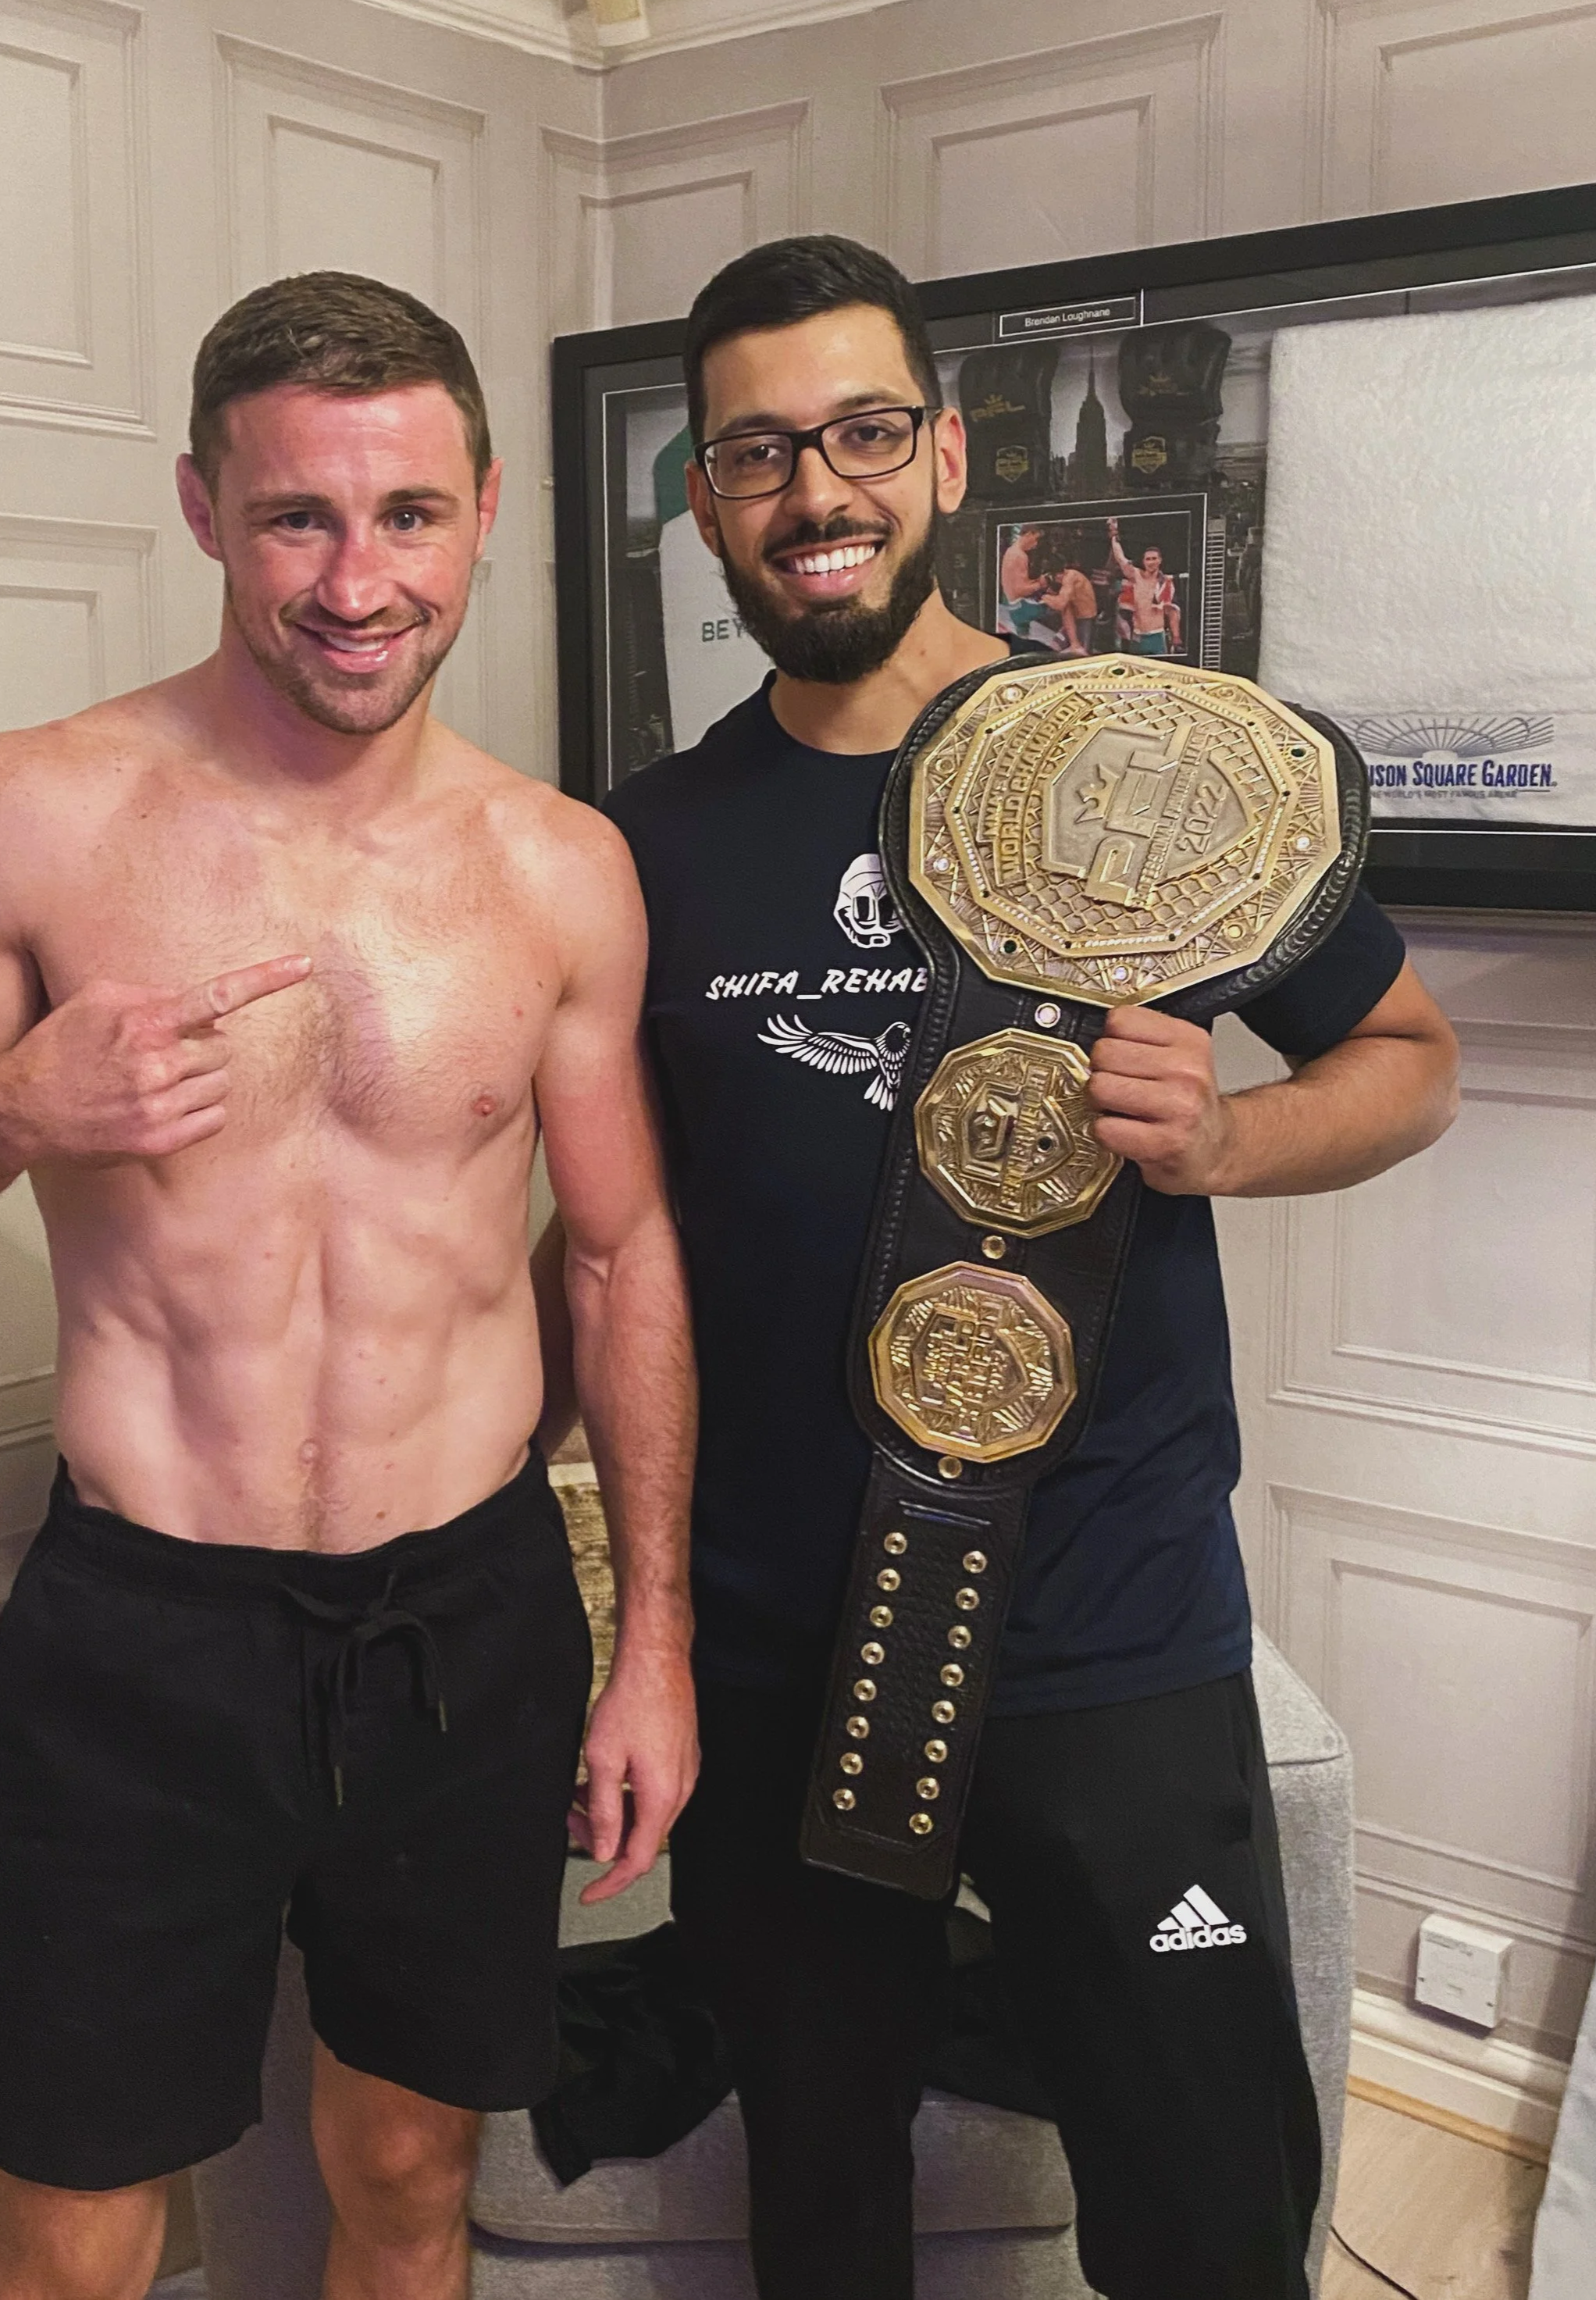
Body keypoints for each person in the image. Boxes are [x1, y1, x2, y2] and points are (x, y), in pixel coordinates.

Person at [539, 234, 1459, 2300]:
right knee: (820, 2192)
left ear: (946, 456)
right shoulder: (643, 845)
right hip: (778, 1646)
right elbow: (606, 1235)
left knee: (1202, 2210)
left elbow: (1407, 1063)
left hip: (1101, 1626)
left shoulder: (1155, 765)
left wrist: (1220, 1137)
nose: (816, 490)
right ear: (708, 503)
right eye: (755, 452)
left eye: (863, 432)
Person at [0, 272, 698, 2300]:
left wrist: (653, 1641)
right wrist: (9, 1105)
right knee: (69, 2228)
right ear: (202, 507)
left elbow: (621, 1253)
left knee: (407, 2171)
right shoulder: (36, 810)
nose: (356, 583)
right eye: (296, 517)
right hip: (147, 1629)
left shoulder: (559, 867)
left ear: (483, 504)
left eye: (407, 514)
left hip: (465, 1617)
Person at [1109, 515, 1183, 654]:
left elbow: (1172, 612)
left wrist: (1176, 638)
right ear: (1143, 561)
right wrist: (1114, 534)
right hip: (1138, 635)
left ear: (1160, 560)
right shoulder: (1136, 576)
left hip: (1157, 635)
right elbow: (1120, 558)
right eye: (1148, 559)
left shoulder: (1165, 583)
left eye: (1154, 559)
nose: (1151, 562)